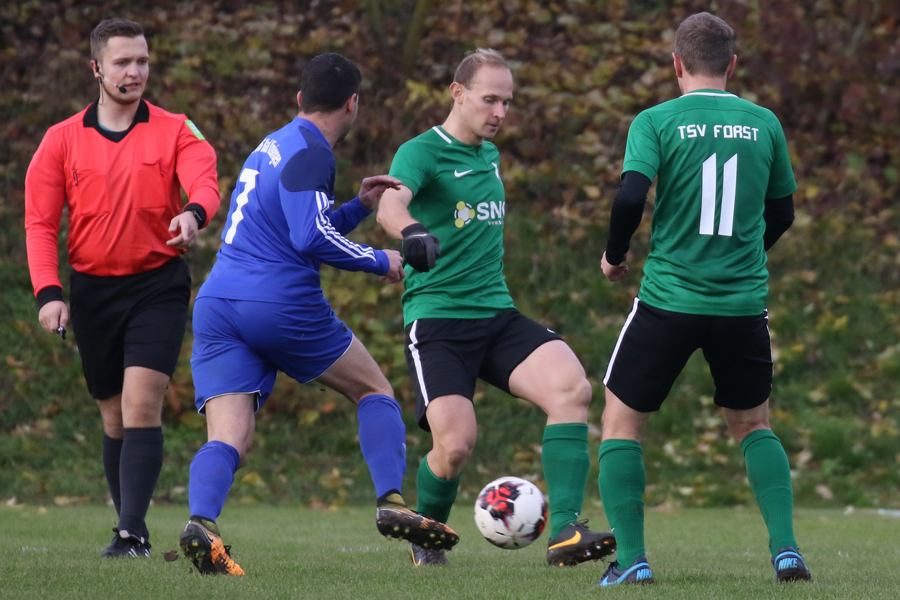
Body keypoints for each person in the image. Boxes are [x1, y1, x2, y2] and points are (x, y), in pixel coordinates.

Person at [178, 52, 458, 576]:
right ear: (352, 104)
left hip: (218, 304)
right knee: (373, 391)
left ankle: (202, 525)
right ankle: (392, 501)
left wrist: (357, 208)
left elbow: (296, 224)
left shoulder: (275, 144)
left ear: (300, 98)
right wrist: (380, 259)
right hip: (277, 301)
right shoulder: (312, 152)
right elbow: (309, 238)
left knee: (228, 437)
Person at [376, 48, 615, 567]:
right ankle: (426, 534)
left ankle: (566, 530)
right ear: (457, 93)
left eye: (507, 102)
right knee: (456, 446)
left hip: (498, 315)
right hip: (439, 321)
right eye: (490, 100)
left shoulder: (489, 154)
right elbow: (389, 202)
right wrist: (411, 231)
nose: (500, 112)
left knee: (572, 388)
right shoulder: (421, 152)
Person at [595, 12, 809, 586]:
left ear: (677, 64)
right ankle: (787, 552)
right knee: (754, 424)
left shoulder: (656, 120)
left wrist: (615, 254)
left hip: (669, 300)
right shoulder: (764, 122)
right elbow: (783, 211)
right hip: (741, 306)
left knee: (620, 425)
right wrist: (745, 254)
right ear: (732, 64)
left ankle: (633, 561)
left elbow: (630, 196)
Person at [24, 18, 220, 558]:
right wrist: (49, 293)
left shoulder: (177, 128)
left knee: (141, 403)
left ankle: (131, 534)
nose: (135, 72)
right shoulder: (61, 139)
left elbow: (205, 180)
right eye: (123, 62)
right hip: (92, 292)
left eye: (143, 61)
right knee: (113, 415)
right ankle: (127, 523)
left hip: (157, 285)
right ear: (96, 68)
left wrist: (193, 213)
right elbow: (40, 224)